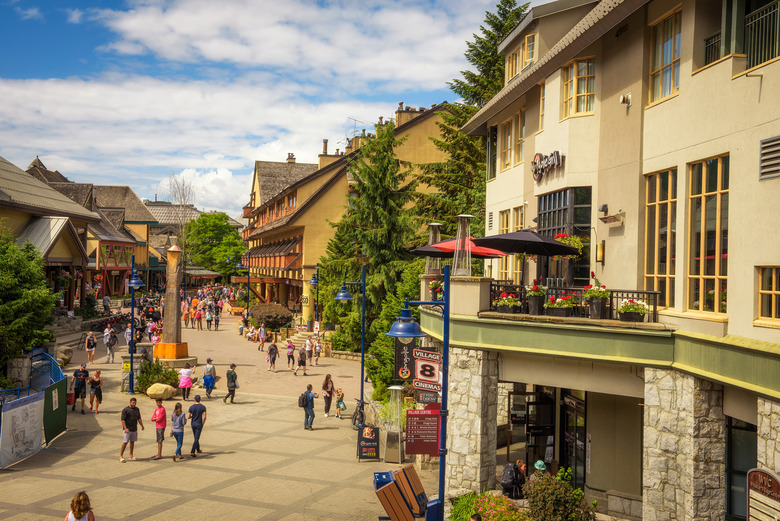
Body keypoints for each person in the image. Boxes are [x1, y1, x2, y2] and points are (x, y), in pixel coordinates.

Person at [119, 397, 144, 462]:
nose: (134, 404)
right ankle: (121, 456)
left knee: (132, 442)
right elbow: (122, 420)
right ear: (130, 402)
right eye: (133, 403)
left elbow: (139, 418)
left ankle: (131, 455)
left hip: (134, 428)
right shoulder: (125, 410)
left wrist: (142, 425)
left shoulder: (137, 409)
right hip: (127, 429)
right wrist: (125, 428)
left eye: (135, 403)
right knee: (125, 442)